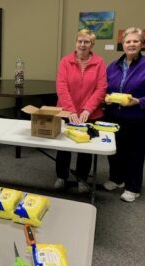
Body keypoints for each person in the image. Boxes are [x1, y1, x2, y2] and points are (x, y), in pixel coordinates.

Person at [103, 27, 145, 202]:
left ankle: (133, 187)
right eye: (128, 41)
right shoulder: (113, 66)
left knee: (134, 154)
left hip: (137, 118)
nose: (131, 44)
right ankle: (117, 179)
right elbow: (106, 88)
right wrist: (106, 97)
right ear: (123, 44)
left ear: (142, 44)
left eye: (135, 41)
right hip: (114, 117)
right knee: (116, 151)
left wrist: (139, 101)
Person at [54, 29, 107, 193]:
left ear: (92, 45)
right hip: (66, 112)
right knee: (63, 148)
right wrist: (71, 110)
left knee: (85, 149)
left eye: (87, 42)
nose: (82, 45)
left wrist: (87, 109)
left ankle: (82, 179)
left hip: (90, 114)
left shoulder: (99, 62)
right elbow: (61, 87)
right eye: (80, 41)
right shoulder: (65, 61)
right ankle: (61, 177)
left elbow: (101, 88)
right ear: (76, 42)